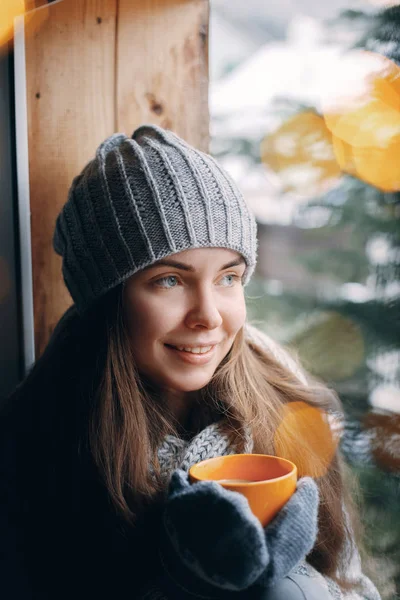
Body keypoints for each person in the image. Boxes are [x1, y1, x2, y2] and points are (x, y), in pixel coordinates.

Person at [0, 124, 381, 600]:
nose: (208, 316)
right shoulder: (40, 439)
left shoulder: (288, 399)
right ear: (106, 300)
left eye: (228, 277)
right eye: (169, 281)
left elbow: (353, 584)